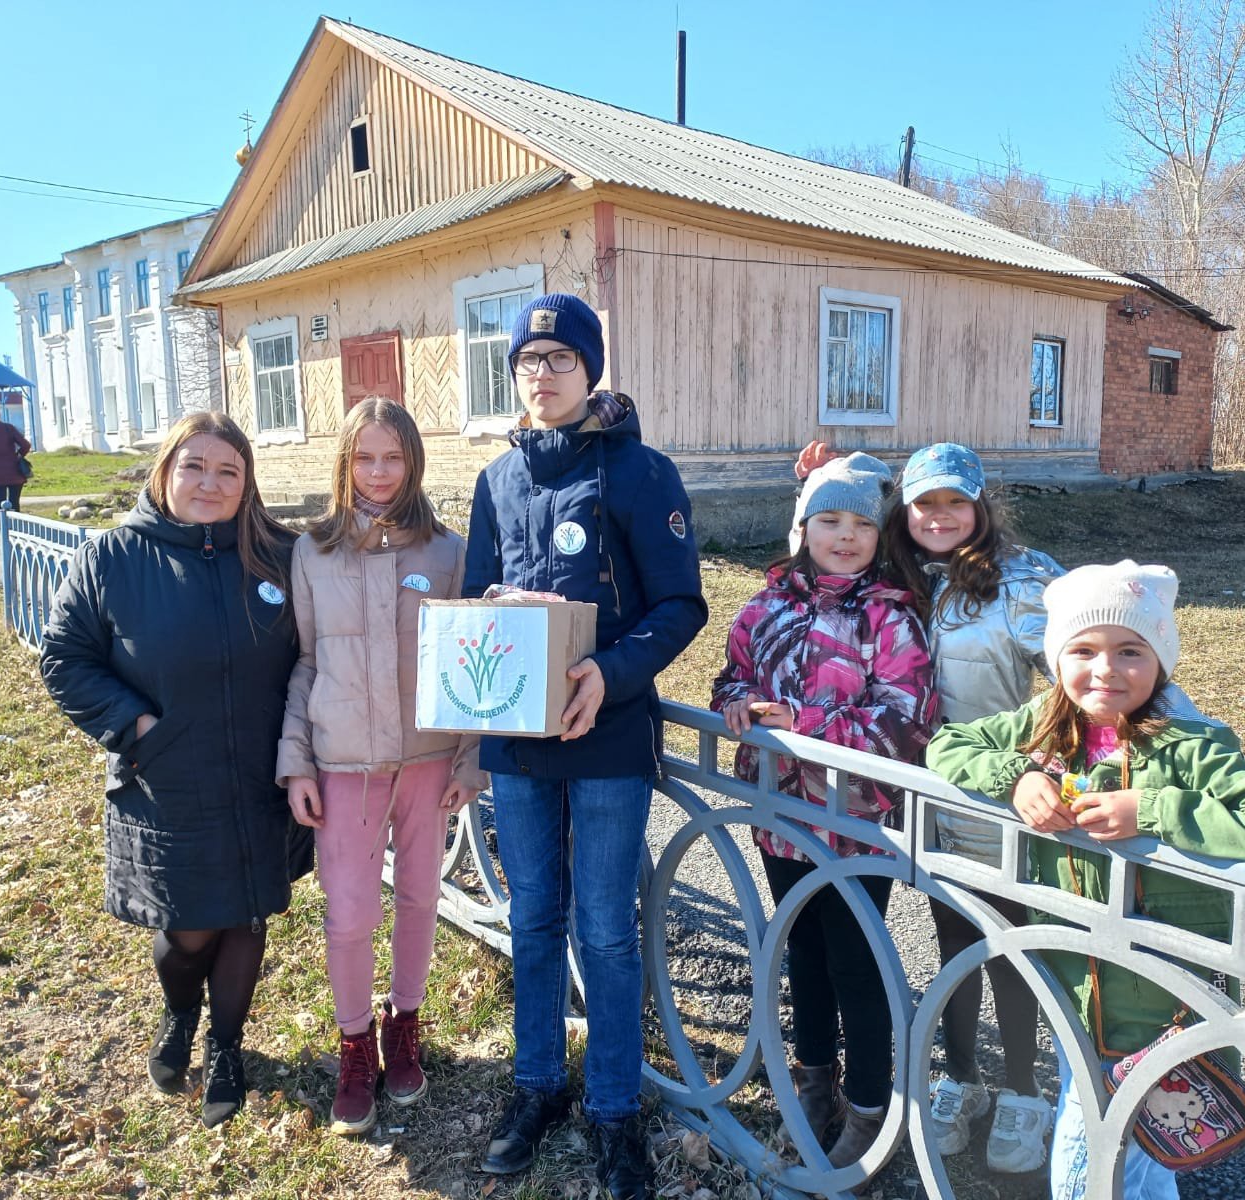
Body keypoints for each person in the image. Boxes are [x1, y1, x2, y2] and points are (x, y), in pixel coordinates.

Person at [925, 560, 1245, 1200]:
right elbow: (947, 744)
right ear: (1056, 658)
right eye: (1082, 650)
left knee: (1096, 1174)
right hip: (1072, 1000)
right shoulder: (1043, 732)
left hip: (1160, 1011)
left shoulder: (1193, 747)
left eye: (1130, 650)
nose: (1105, 669)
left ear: (1161, 659)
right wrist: (1018, 778)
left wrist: (1156, 810)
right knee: (1122, 1167)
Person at [463, 293, 707, 1200]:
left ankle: (612, 1107)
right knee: (532, 919)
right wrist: (489, 616)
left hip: (604, 739)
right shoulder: (498, 480)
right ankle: (536, 1087)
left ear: (590, 370)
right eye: (529, 361)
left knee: (604, 932)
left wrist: (609, 671)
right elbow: (480, 592)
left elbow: (681, 603)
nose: (542, 374)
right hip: (519, 744)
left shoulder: (641, 472)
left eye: (561, 359)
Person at [797, 439, 1063, 1172]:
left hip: (997, 797)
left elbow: (1085, 665)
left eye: (954, 501)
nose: (939, 517)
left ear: (979, 506)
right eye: (924, 504)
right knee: (951, 943)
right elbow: (823, 550)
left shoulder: (1020, 579)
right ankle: (964, 1080)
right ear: (904, 513)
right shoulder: (899, 575)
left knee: (1008, 945)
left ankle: (1023, 1094)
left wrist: (1048, 755)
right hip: (919, 798)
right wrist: (821, 477)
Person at [39, 412, 305, 1128]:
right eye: (195, 467)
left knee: (248, 911)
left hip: (260, 771)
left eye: (229, 471)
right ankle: (181, 1013)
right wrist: (137, 727)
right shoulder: (115, 558)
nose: (210, 484)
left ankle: (226, 1046)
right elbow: (64, 657)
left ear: (247, 483)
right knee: (188, 927)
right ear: (165, 471)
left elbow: (328, 644)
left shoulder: (278, 554)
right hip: (166, 776)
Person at [710, 453, 937, 1178]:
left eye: (861, 523)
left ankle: (872, 1110)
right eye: (829, 520)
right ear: (803, 526)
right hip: (780, 815)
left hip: (855, 822)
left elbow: (906, 722)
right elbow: (732, 676)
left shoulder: (891, 619)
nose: (845, 536)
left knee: (856, 959)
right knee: (800, 950)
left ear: (881, 532)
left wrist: (802, 723)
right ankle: (815, 1088)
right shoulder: (764, 607)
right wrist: (735, 705)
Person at [276, 398, 487, 1136]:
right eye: (364, 458)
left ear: (413, 463)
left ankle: (406, 1023)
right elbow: (304, 661)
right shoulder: (312, 553)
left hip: (428, 762)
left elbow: (469, 665)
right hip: (343, 762)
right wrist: (296, 762)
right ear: (344, 463)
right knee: (350, 913)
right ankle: (356, 1042)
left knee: (420, 899)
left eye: (392, 458)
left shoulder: (447, 553)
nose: (378, 473)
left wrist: (470, 757)